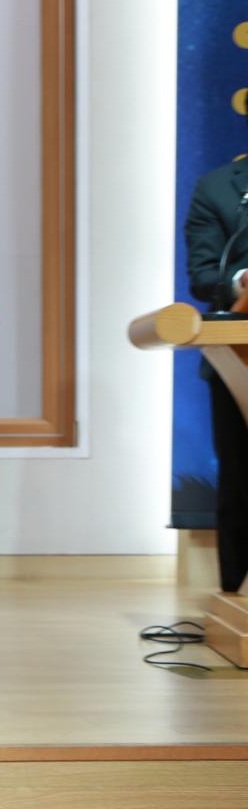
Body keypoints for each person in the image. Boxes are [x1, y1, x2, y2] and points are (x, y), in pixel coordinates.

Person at [183, 158, 248, 593]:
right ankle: (238, 603)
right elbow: (205, 275)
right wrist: (243, 279)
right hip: (240, 356)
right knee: (241, 481)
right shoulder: (220, 188)